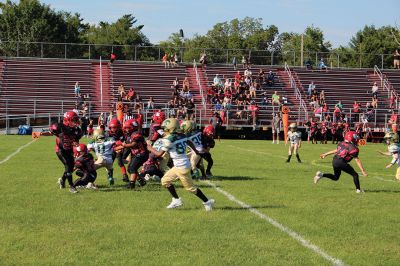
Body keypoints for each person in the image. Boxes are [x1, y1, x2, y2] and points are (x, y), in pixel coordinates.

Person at [146, 118, 215, 211]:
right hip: (180, 165)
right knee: (165, 181)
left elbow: (159, 154)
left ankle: (207, 202)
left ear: (170, 129)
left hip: (182, 167)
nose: (164, 130)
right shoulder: (181, 135)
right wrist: (195, 151)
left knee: (191, 188)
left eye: (165, 129)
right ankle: (176, 200)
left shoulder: (169, 140)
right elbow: (189, 141)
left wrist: (149, 147)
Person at [50, 111, 82, 193]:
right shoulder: (60, 127)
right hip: (60, 150)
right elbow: (52, 132)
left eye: (76, 120)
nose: (75, 122)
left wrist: (76, 144)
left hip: (69, 149)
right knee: (68, 165)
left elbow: (76, 141)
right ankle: (71, 186)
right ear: (68, 120)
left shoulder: (77, 130)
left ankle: (62, 180)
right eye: (74, 120)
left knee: (70, 168)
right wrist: (41, 133)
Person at [119, 119, 149, 189]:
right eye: (126, 128)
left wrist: (124, 145)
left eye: (128, 128)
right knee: (130, 169)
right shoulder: (130, 135)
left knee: (132, 168)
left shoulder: (136, 134)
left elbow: (133, 144)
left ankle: (131, 185)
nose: (126, 129)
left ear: (132, 127)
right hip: (137, 154)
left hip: (142, 154)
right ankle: (141, 181)